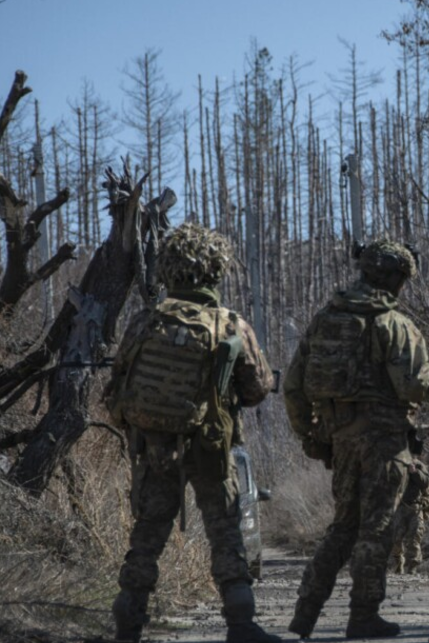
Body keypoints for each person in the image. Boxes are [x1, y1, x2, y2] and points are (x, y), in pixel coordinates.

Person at [283, 239, 429, 639]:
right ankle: (363, 616)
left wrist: (311, 436)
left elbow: (293, 386)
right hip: (386, 442)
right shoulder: (395, 324)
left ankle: (304, 616)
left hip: (341, 438)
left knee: (342, 527)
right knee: (376, 528)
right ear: (396, 278)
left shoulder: (326, 319)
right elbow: (417, 385)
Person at [105, 223, 279, 643]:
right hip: (210, 449)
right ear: (215, 270)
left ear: (169, 270)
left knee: (147, 535)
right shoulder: (229, 324)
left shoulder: (146, 320)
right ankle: (241, 623)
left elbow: (117, 386)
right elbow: (257, 390)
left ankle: (128, 625)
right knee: (225, 532)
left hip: (154, 447)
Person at [390, 457, 429, 574]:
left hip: (415, 507)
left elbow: (426, 482)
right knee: (395, 538)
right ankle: (399, 563)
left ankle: (412, 567)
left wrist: (414, 472)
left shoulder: (418, 465)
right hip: (399, 507)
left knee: (414, 538)